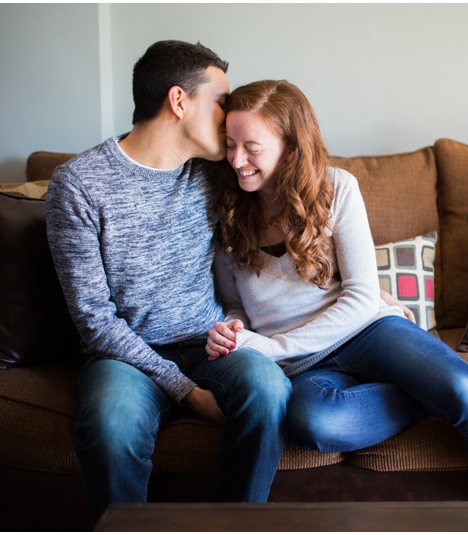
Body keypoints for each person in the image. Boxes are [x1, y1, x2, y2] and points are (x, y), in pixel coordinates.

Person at [207, 80, 468, 501]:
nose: (236, 159)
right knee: (314, 423)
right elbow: (236, 304)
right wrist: (234, 332)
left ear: (290, 146)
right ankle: (435, 389)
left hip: (369, 332)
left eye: (251, 146)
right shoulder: (226, 212)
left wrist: (272, 347)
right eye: (230, 144)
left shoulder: (336, 188)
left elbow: (362, 298)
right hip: (304, 364)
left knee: (465, 394)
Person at [46, 41, 292, 522]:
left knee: (270, 389)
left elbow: (296, 219)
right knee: (110, 426)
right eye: (221, 100)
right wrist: (186, 391)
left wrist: (365, 289)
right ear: (179, 101)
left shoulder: (216, 171)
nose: (230, 115)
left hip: (210, 341)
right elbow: (94, 320)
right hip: (124, 356)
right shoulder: (77, 185)